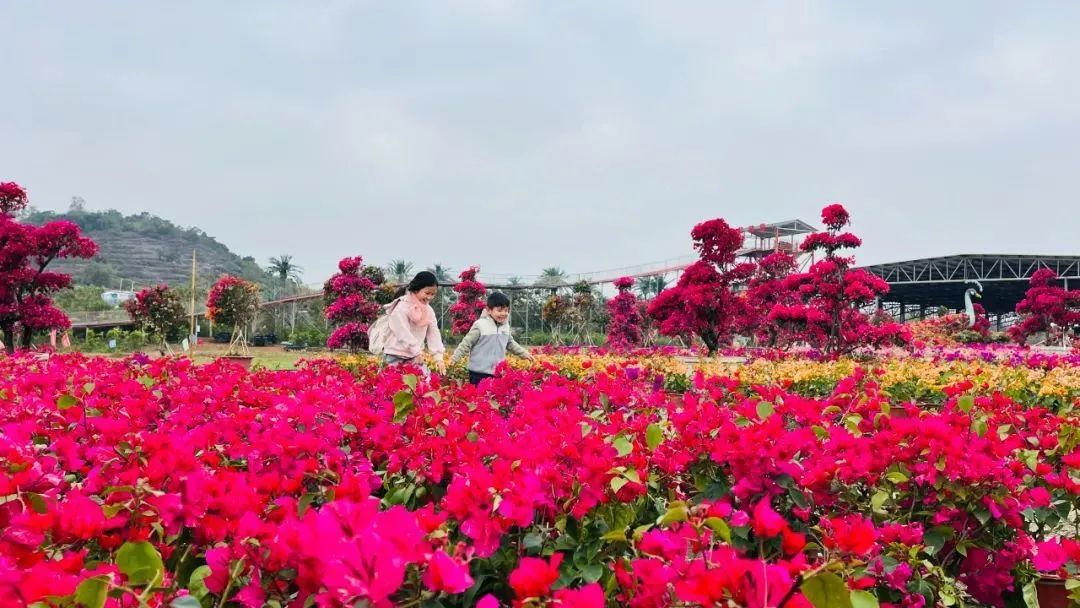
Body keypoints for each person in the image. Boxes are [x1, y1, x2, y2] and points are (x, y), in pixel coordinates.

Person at [451, 291, 534, 385]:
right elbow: (466, 343)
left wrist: (524, 353)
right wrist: (455, 358)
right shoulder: (480, 325)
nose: (503, 313)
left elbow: (510, 343)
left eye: (506, 310)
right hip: (478, 373)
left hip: (497, 373)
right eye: (499, 310)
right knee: (479, 398)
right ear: (489, 310)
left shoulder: (505, 327)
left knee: (494, 398)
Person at [383, 271, 446, 373]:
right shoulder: (402, 306)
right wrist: (416, 351)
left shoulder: (428, 310)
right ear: (416, 289)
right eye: (427, 293)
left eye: (433, 294)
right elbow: (403, 333)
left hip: (414, 355)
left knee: (423, 382)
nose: (430, 297)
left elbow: (434, 333)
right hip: (395, 354)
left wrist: (438, 357)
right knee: (392, 384)